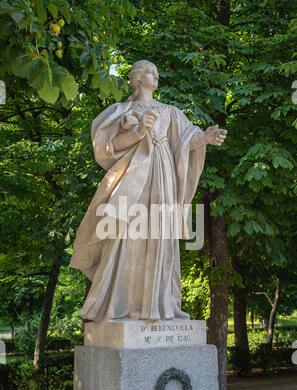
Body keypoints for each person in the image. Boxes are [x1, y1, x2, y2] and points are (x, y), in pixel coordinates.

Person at [71, 60, 227, 321]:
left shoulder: (170, 111)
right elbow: (112, 147)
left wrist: (206, 138)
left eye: (157, 72)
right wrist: (139, 130)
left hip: (164, 174)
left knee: (161, 234)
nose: (156, 76)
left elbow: (185, 140)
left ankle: (162, 303)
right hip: (134, 175)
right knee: (127, 233)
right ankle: (121, 304)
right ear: (137, 78)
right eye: (150, 72)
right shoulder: (124, 111)